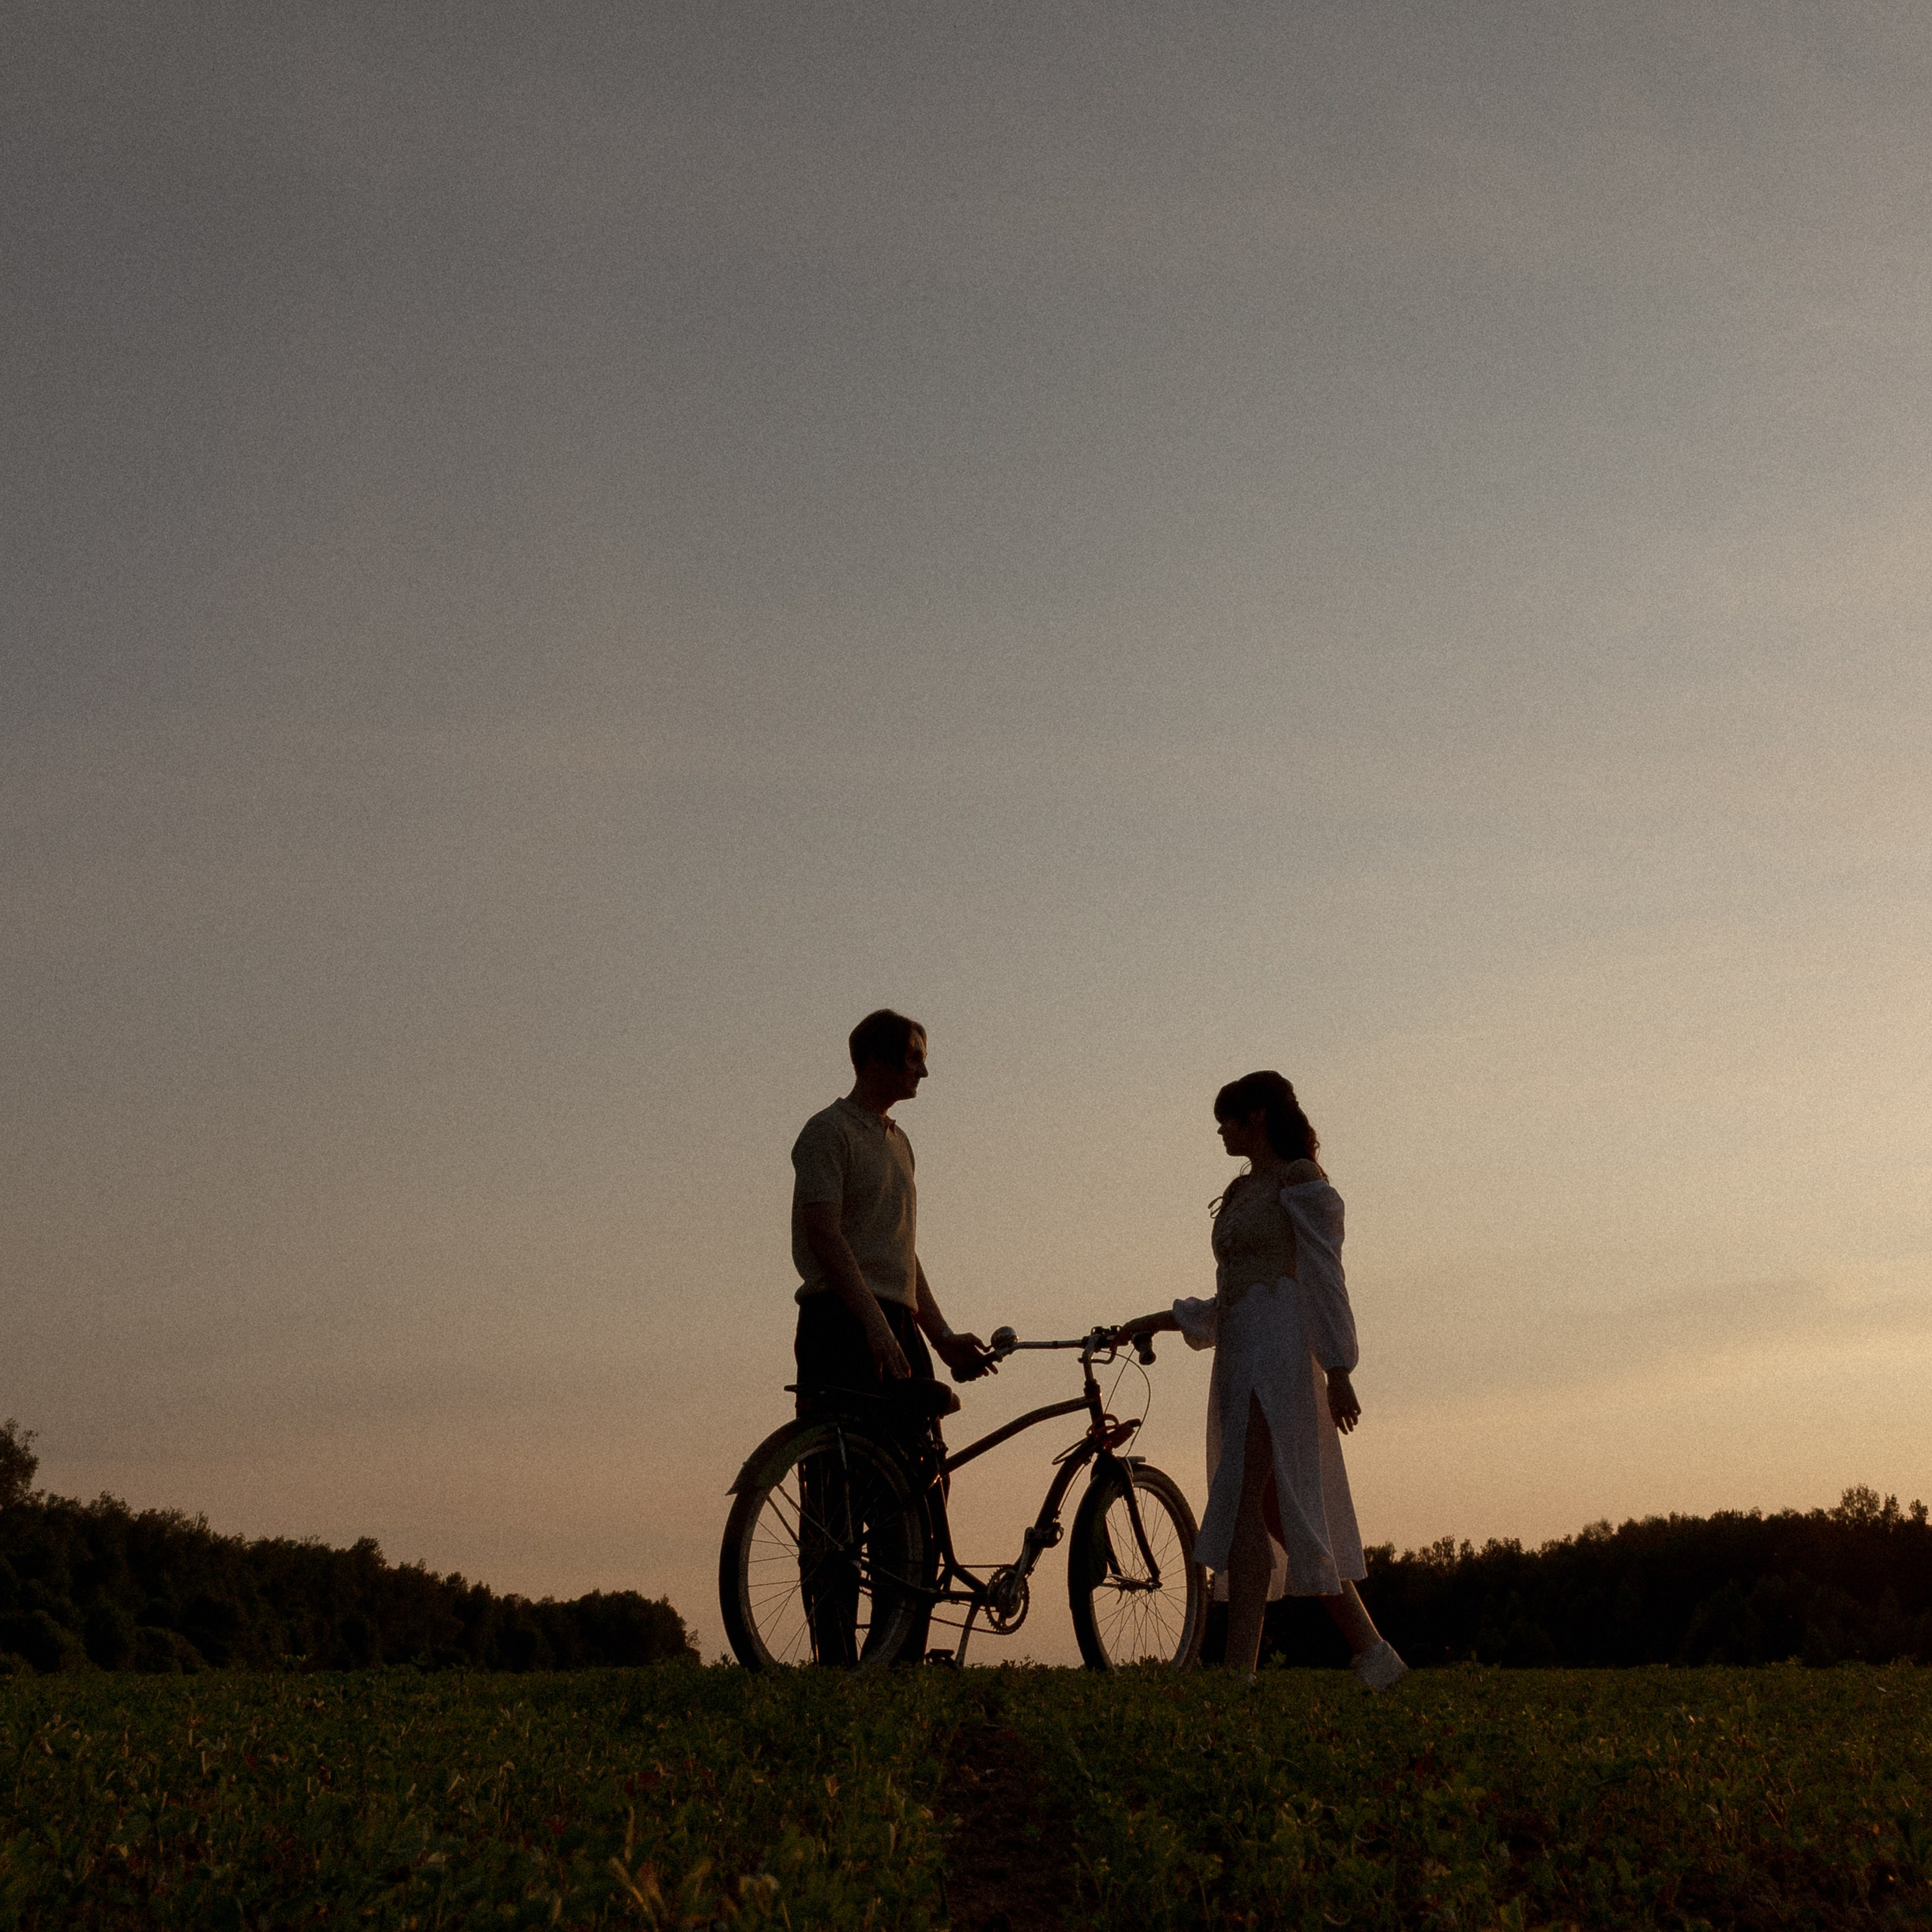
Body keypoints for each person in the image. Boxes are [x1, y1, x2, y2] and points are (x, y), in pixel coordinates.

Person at [1115, 1071, 1407, 1688]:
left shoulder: (1298, 1180)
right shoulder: (1240, 1189)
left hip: (1279, 1355)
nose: (1220, 1131)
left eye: (1228, 1118)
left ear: (1258, 1117)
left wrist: (1338, 1368)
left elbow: (1324, 1278)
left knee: (1245, 1496)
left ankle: (1237, 1670)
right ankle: (1375, 1655)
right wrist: (1156, 1320)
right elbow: (1230, 1296)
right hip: (1239, 1355)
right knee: (1275, 1507)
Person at [789, 1008, 995, 1663]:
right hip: (838, 1320)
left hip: (896, 1324)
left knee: (915, 1490)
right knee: (836, 1499)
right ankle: (837, 1663)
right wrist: (873, 1325)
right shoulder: (826, 1132)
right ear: (875, 1060)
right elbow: (825, 1236)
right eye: (913, 1058)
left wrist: (940, 1334)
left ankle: (896, 1658)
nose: (923, 1072)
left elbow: (901, 1253)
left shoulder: (901, 1143)